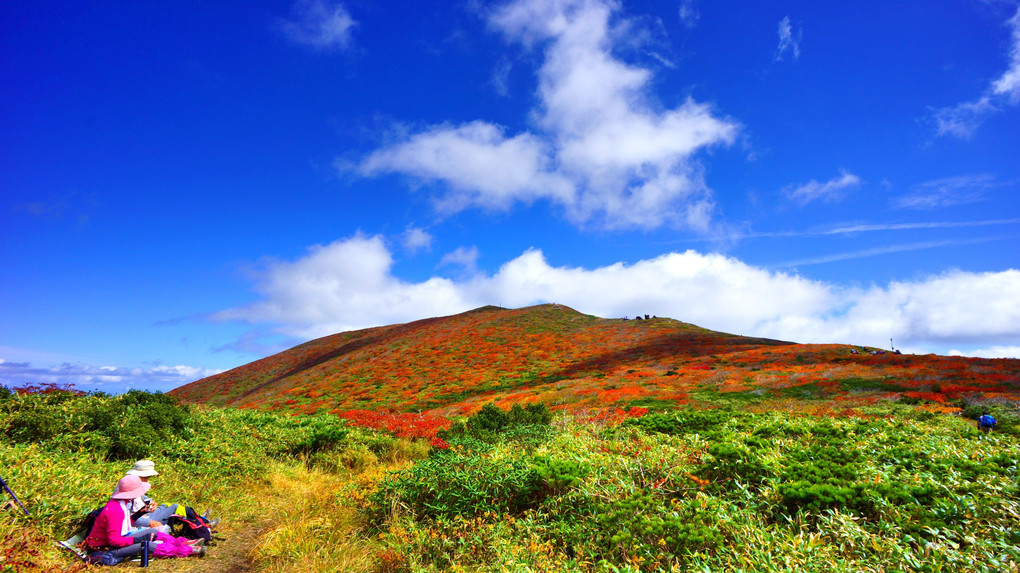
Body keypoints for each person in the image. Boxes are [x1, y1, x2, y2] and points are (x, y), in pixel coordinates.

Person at [86, 474, 203, 559]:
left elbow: (123, 525)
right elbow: (114, 540)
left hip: (114, 542)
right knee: (148, 544)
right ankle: (187, 550)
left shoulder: (121, 503)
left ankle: (182, 543)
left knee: (153, 532)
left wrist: (139, 514)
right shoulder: (115, 510)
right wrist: (138, 539)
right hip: (104, 549)